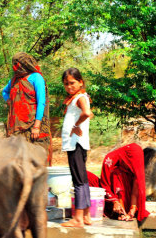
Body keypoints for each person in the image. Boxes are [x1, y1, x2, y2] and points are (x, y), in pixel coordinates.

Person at [2, 52, 52, 164]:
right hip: (17, 128)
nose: (14, 67)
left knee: (36, 159)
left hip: (33, 126)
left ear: (24, 64)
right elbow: (4, 92)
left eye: (17, 64)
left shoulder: (36, 77)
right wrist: (10, 101)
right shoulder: (14, 80)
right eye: (13, 64)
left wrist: (37, 126)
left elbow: (41, 102)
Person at [61, 68, 93, 227]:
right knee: (83, 179)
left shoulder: (80, 97)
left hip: (75, 143)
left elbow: (87, 113)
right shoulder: (79, 97)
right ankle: (86, 215)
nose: (69, 86)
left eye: (72, 83)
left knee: (78, 180)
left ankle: (78, 218)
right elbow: (88, 113)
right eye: (66, 84)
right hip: (77, 143)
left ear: (81, 82)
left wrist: (75, 125)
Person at [88, 143, 150, 222]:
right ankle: (119, 212)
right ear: (125, 158)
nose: (132, 167)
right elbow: (105, 184)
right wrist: (115, 201)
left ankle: (123, 212)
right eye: (130, 164)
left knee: (120, 174)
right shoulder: (109, 159)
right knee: (86, 176)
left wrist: (133, 209)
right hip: (109, 194)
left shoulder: (135, 164)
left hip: (128, 199)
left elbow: (135, 191)